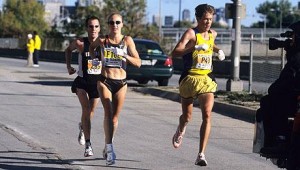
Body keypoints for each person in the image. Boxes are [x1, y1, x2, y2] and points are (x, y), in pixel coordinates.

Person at [171, 4, 225, 166]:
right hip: (189, 78)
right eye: (205, 19)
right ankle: (181, 129)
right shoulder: (190, 33)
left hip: (206, 79)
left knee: (207, 114)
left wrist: (217, 50)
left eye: (210, 19)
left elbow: (211, 44)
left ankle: (201, 154)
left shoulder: (213, 34)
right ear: (198, 19)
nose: (208, 23)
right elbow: (175, 52)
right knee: (187, 117)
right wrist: (194, 47)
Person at [89, 12, 141, 165]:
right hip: (105, 80)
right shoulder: (103, 40)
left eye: (117, 22)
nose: (115, 25)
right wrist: (95, 60)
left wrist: (124, 55)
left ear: (122, 24)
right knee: (108, 111)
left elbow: (138, 62)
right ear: (108, 25)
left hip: (121, 82)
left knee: (115, 118)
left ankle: (107, 144)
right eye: (111, 23)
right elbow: (92, 48)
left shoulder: (127, 40)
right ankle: (110, 149)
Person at [65, 16, 102, 157]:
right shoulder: (80, 43)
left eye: (96, 26)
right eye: (91, 26)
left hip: (97, 84)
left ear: (99, 28)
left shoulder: (103, 43)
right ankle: (88, 145)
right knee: (86, 109)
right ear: (87, 28)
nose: (93, 29)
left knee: (90, 114)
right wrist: (69, 67)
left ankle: (82, 127)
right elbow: (68, 50)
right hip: (82, 82)